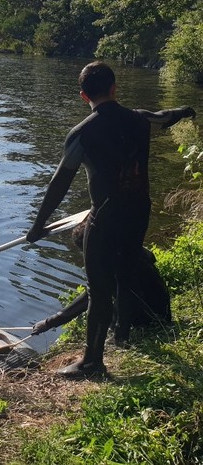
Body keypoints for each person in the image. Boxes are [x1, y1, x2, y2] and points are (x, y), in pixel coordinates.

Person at [26, 60, 195, 379]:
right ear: (114, 89)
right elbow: (164, 117)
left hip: (105, 216)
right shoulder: (139, 119)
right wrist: (185, 110)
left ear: (82, 96)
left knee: (98, 288)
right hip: (139, 212)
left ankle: (92, 362)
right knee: (125, 274)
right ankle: (122, 336)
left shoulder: (82, 134)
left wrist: (38, 226)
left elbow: (59, 184)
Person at [32, 220, 171, 336]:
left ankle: (117, 336)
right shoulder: (132, 247)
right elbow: (151, 258)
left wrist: (48, 323)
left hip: (147, 320)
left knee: (103, 302)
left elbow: (88, 298)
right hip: (164, 311)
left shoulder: (105, 264)